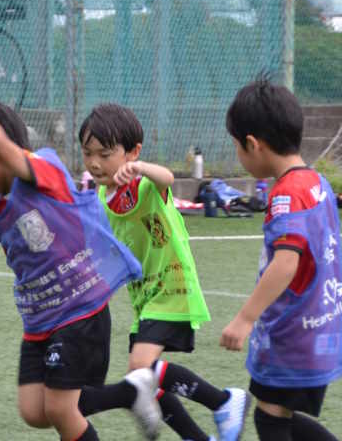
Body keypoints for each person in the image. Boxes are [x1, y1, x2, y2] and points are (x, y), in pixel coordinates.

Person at [0, 56, 162, 441]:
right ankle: (130, 391)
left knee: (60, 409)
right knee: (34, 411)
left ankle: (126, 395)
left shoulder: (43, 171)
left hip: (79, 311)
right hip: (41, 320)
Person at [79, 103, 250, 441]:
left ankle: (223, 401)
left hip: (171, 285)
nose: (95, 162)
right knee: (145, 379)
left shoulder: (144, 185)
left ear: (133, 152)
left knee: (140, 371)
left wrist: (140, 169)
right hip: (144, 295)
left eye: (105, 153)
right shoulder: (99, 196)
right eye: (87, 153)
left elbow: (168, 178)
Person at [221, 79, 342, 441]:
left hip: (294, 335)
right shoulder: (318, 183)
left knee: (271, 419)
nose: (239, 157)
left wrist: (245, 319)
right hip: (321, 329)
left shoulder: (286, 194)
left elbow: (286, 263)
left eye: (237, 148)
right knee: (278, 416)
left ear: (253, 144)